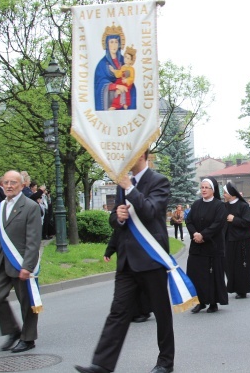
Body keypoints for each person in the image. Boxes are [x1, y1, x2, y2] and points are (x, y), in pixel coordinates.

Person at [76, 151, 175, 373]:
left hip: (152, 258)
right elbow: (115, 218)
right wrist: (118, 216)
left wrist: (130, 188)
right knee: (118, 311)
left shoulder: (158, 181)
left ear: (142, 155)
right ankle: (101, 364)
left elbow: (150, 212)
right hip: (127, 260)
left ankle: (165, 362)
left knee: (161, 313)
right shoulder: (123, 185)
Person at [0, 170, 42, 353]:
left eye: (13, 183)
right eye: (6, 182)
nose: (9, 186)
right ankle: (12, 330)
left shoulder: (30, 206)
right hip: (3, 262)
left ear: (21, 185)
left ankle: (28, 339)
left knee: (26, 302)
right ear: (2, 185)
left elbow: (34, 240)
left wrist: (27, 266)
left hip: (21, 263)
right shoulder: (1, 206)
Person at [186, 177, 228, 314]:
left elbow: (218, 224)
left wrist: (203, 235)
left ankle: (213, 302)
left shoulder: (219, 205)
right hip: (197, 247)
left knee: (212, 275)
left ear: (213, 190)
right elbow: (189, 221)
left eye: (206, 187)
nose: (203, 190)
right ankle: (199, 302)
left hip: (212, 246)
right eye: (202, 187)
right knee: (196, 274)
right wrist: (195, 234)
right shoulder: (196, 204)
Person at [223, 182, 250, 299]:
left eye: (225, 192)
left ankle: (242, 289)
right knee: (229, 264)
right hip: (228, 239)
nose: (224, 195)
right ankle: (232, 286)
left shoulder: (243, 206)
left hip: (242, 240)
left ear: (232, 194)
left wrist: (234, 219)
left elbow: (247, 223)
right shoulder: (225, 206)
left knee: (241, 265)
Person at [94, 26, 134, 111]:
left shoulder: (124, 61)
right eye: (111, 42)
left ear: (119, 44)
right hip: (110, 99)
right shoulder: (102, 64)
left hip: (126, 94)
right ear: (107, 44)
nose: (114, 45)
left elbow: (131, 79)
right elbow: (99, 83)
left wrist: (126, 83)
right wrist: (116, 86)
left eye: (116, 42)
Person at [107, 45, 137, 110]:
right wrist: (113, 71)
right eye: (125, 57)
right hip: (120, 82)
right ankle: (116, 105)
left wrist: (127, 80)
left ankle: (125, 104)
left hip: (126, 84)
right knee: (118, 91)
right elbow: (119, 74)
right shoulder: (123, 67)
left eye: (128, 58)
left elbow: (132, 78)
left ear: (131, 61)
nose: (126, 59)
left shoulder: (131, 69)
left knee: (126, 91)